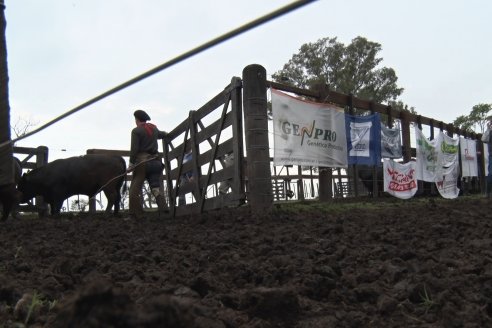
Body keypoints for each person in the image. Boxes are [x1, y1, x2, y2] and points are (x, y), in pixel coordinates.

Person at [128, 109, 168, 219]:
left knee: (133, 191)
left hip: (143, 163)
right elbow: (162, 135)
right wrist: (166, 134)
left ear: (137, 120)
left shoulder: (136, 131)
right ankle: (164, 211)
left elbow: (134, 150)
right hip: (156, 163)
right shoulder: (153, 128)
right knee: (155, 189)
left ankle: (137, 214)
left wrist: (131, 165)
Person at [481, 119, 492, 198]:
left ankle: (488, 193)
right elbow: (483, 139)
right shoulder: (490, 132)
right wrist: (488, 129)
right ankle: (488, 193)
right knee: (491, 174)